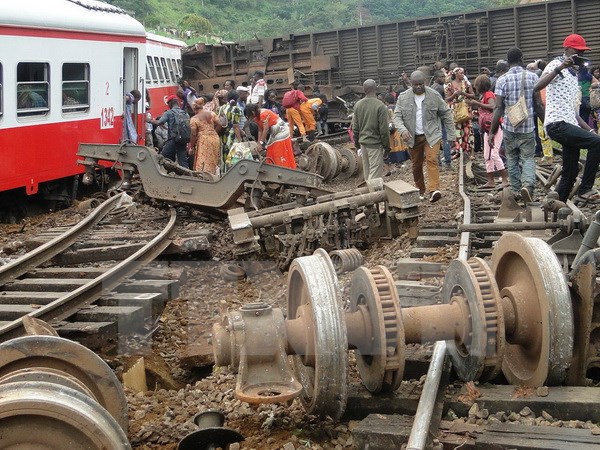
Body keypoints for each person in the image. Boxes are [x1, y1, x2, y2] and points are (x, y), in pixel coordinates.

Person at [534, 34, 600, 204]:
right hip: (557, 124)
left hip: (568, 123)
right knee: (596, 143)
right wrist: (561, 66)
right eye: (578, 52)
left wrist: (591, 130)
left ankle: (555, 207)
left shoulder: (573, 75)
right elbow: (537, 86)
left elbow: (574, 112)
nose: (581, 55)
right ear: (568, 50)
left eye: (582, 53)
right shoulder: (556, 65)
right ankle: (585, 189)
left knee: (569, 174)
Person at [489, 47, 543, 201]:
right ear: (521, 58)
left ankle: (517, 190)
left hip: (509, 126)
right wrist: (545, 124)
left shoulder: (502, 80)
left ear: (508, 61)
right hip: (527, 126)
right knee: (528, 158)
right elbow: (538, 105)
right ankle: (528, 185)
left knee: (511, 158)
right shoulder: (533, 77)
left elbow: (498, 108)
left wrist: (492, 132)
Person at [394, 71, 455, 203]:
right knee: (416, 165)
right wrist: (403, 130)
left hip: (431, 135)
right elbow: (397, 117)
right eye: (415, 84)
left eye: (420, 84)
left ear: (425, 82)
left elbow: (446, 114)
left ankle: (434, 190)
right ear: (411, 83)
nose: (418, 87)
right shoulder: (403, 98)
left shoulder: (434, 95)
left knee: (432, 159)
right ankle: (420, 189)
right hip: (413, 137)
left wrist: (451, 135)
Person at [468, 75, 508, 188]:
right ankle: (490, 181)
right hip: (487, 128)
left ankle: (505, 179)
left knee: (495, 154)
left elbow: (493, 106)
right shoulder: (483, 95)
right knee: (487, 156)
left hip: (494, 127)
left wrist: (477, 104)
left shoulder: (489, 94)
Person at [352, 79, 391, 180]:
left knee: (367, 172)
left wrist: (357, 144)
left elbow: (355, 128)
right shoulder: (380, 106)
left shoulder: (358, 105)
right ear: (375, 88)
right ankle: (372, 195)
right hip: (375, 144)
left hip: (363, 144)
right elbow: (384, 130)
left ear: (364, 90)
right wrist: (387, 147)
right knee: (375, 176)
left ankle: (368, 193)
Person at [244, 103, 297, 169]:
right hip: (274, 132)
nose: (249, 118)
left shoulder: (263, 114)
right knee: (270, 148)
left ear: (252, 112)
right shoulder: (256, 117)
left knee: (276, 149)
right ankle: (274, 167)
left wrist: (261, 143)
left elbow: (265, 129)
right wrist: (258, 143)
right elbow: (260, 130)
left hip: (281, 131)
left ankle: (282, 167)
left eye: (249, 116)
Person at [151, 94, 190, 168]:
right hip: (183, 139)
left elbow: (159, 122)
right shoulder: (185, 113)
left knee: (161, 157)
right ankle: (187, 176)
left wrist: (149, 121)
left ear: (170, 103)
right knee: (182, 161)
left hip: (173, 140)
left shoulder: (169, 113)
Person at [445, 67, 476, 159]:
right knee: (458, 131)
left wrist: (463, 93)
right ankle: (459, 151)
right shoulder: (449, 85)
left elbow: (473, 95)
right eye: (461, 73)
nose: (463, 75)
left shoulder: (466, 83)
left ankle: (471, 152)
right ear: (456, 74)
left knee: (469, 131)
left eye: (463, 73)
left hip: (466, 110)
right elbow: (447, 99)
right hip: (456, 111)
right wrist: (455, 94)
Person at [189, 98, 221, 175]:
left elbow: (193, 134)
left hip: (204, 140)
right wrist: (213, 132)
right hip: (215, 138)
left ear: (194, 108)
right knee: (213, 159)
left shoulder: (194, 119)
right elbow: (220, 124)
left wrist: (191, 147)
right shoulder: (212, 113)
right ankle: (215, 175)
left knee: (203, 160)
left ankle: (205, 177)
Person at [431, 70, 451, 167]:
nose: (443, 78)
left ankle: (438, 161)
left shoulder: (432, 87)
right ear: (436, 78)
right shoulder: (439, 88)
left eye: (444, 77)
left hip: (434, 116)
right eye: (441, 77)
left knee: (436, 139)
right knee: (445, 138)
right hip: (440, 116)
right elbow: (440, 103)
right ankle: (447, 160)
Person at [218, 90, 244, 168]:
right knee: (232, 157)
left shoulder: (222, 107)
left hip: (222, 136)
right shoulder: (236, 109)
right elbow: (235, 126)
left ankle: (224, 174)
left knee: (224, 157)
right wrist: (240, 140)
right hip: (231, 137)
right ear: (237, 98)